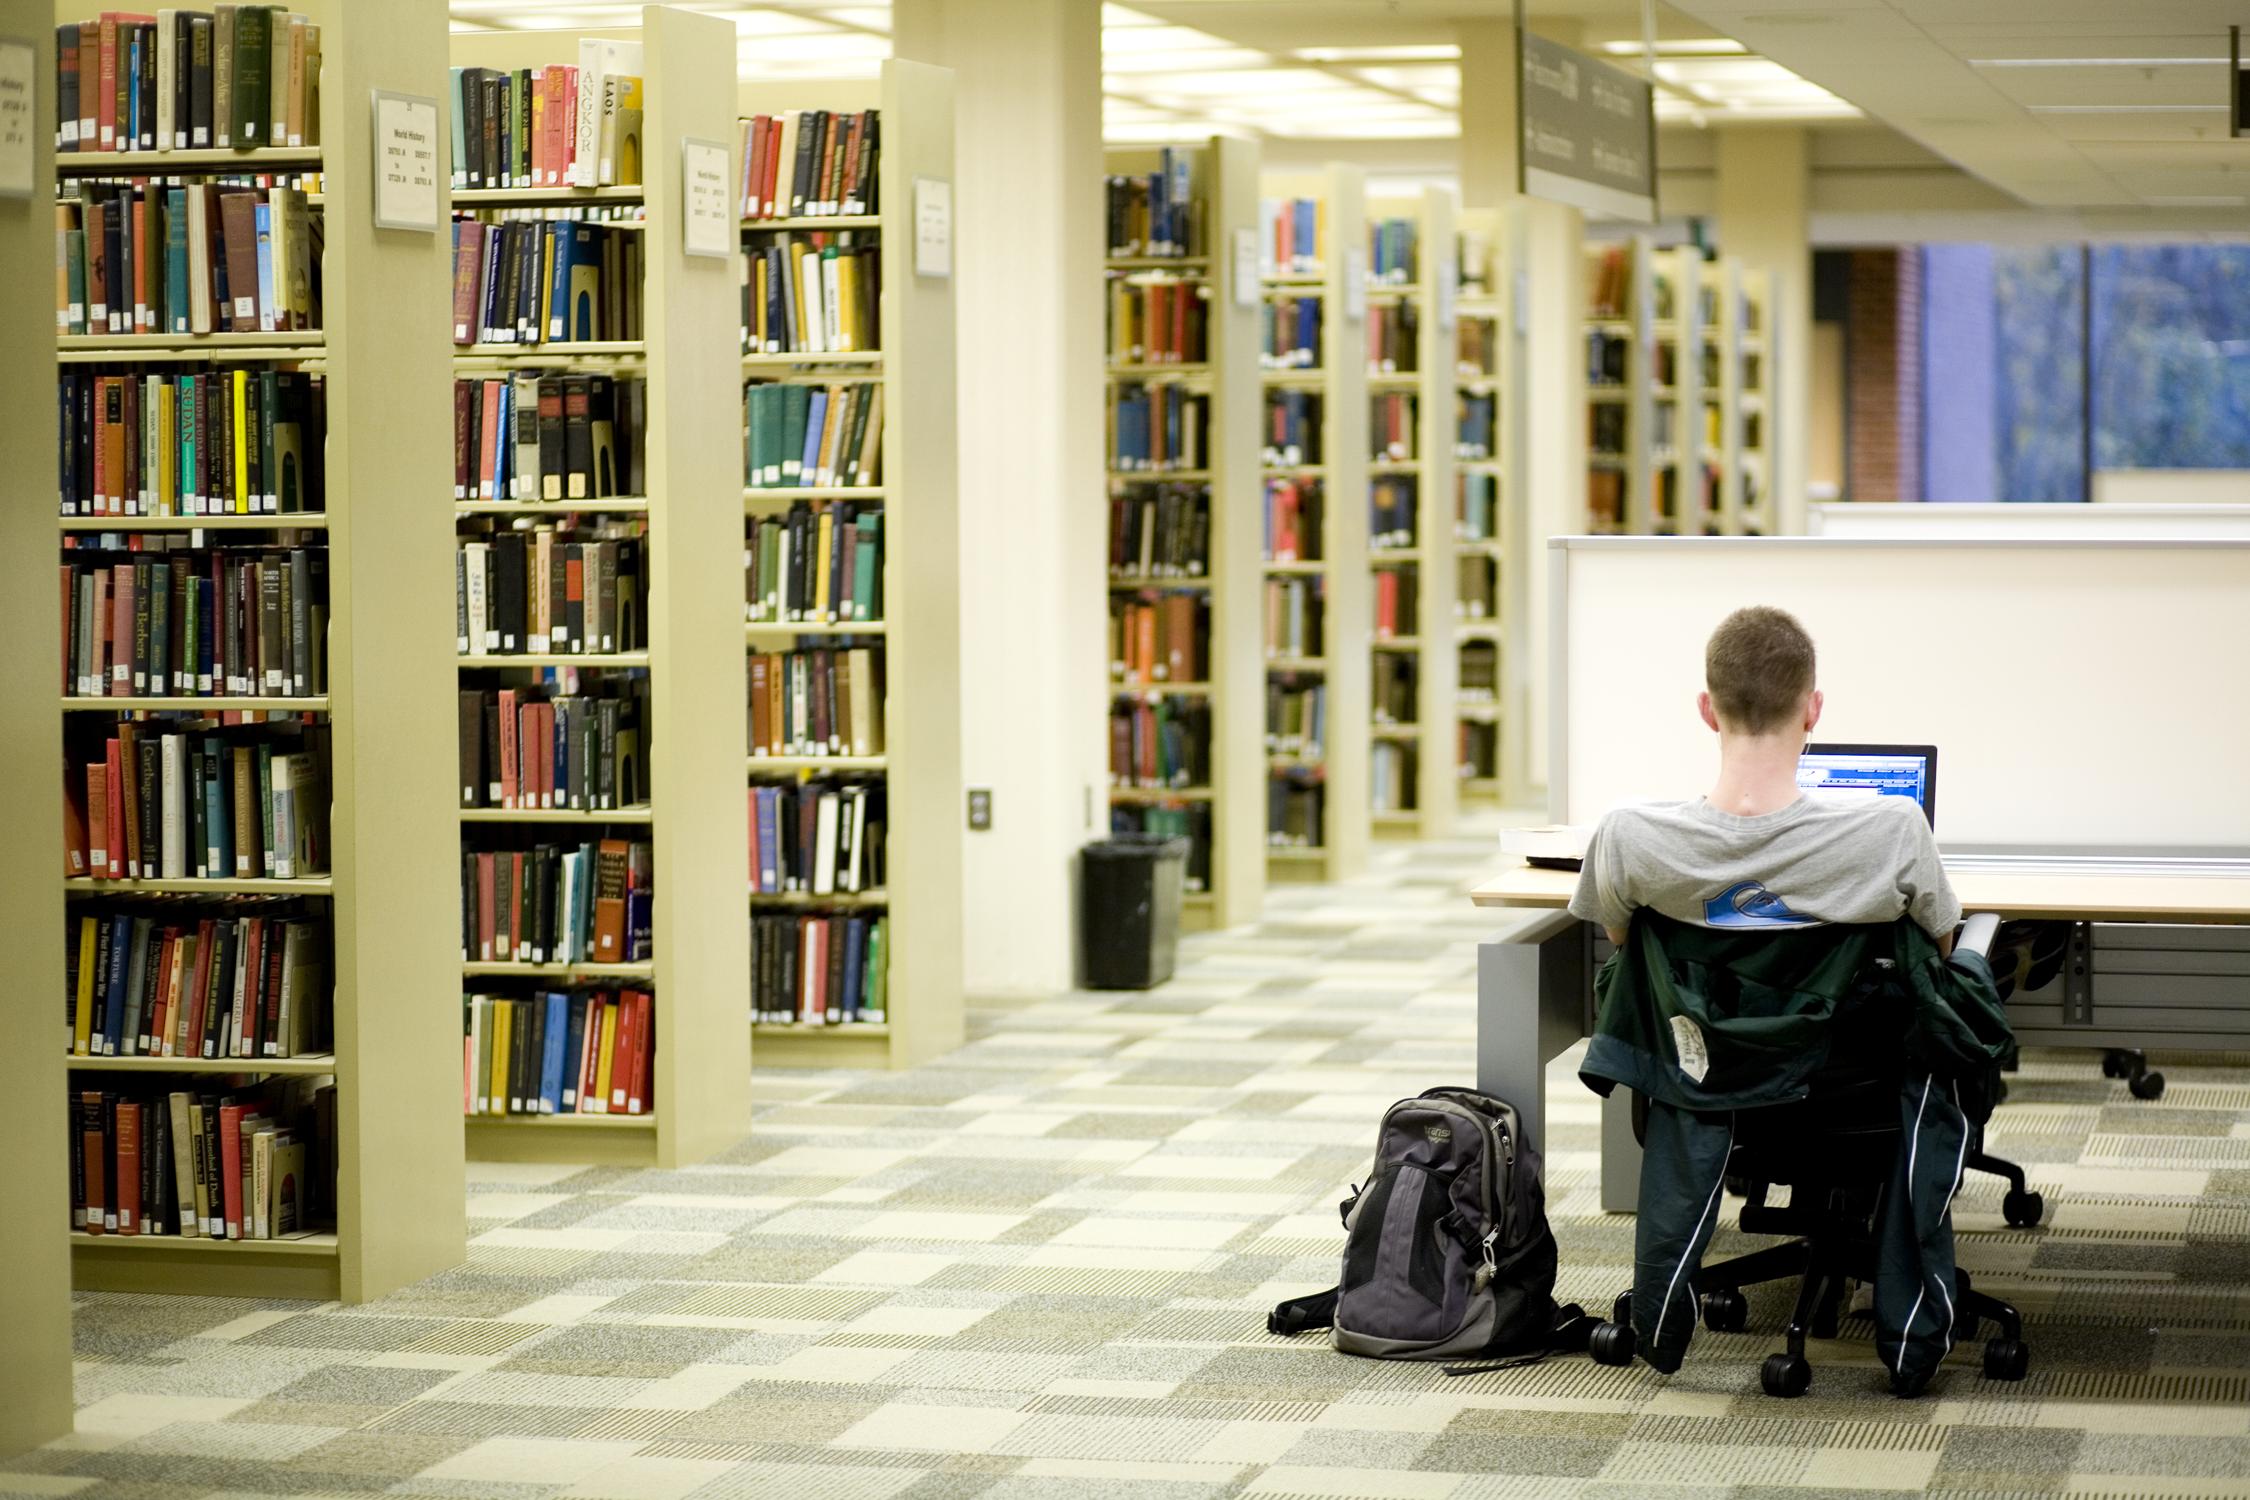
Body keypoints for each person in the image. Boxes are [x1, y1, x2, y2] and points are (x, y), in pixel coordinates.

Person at [1568, 604, 1958, 953]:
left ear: (1707, 710)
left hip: (1685, 1034)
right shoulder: (1895, 830)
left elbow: (1621, 941)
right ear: (1812, 709)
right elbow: (1939, 948)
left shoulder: (1628, 833)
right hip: (1844, 1035)